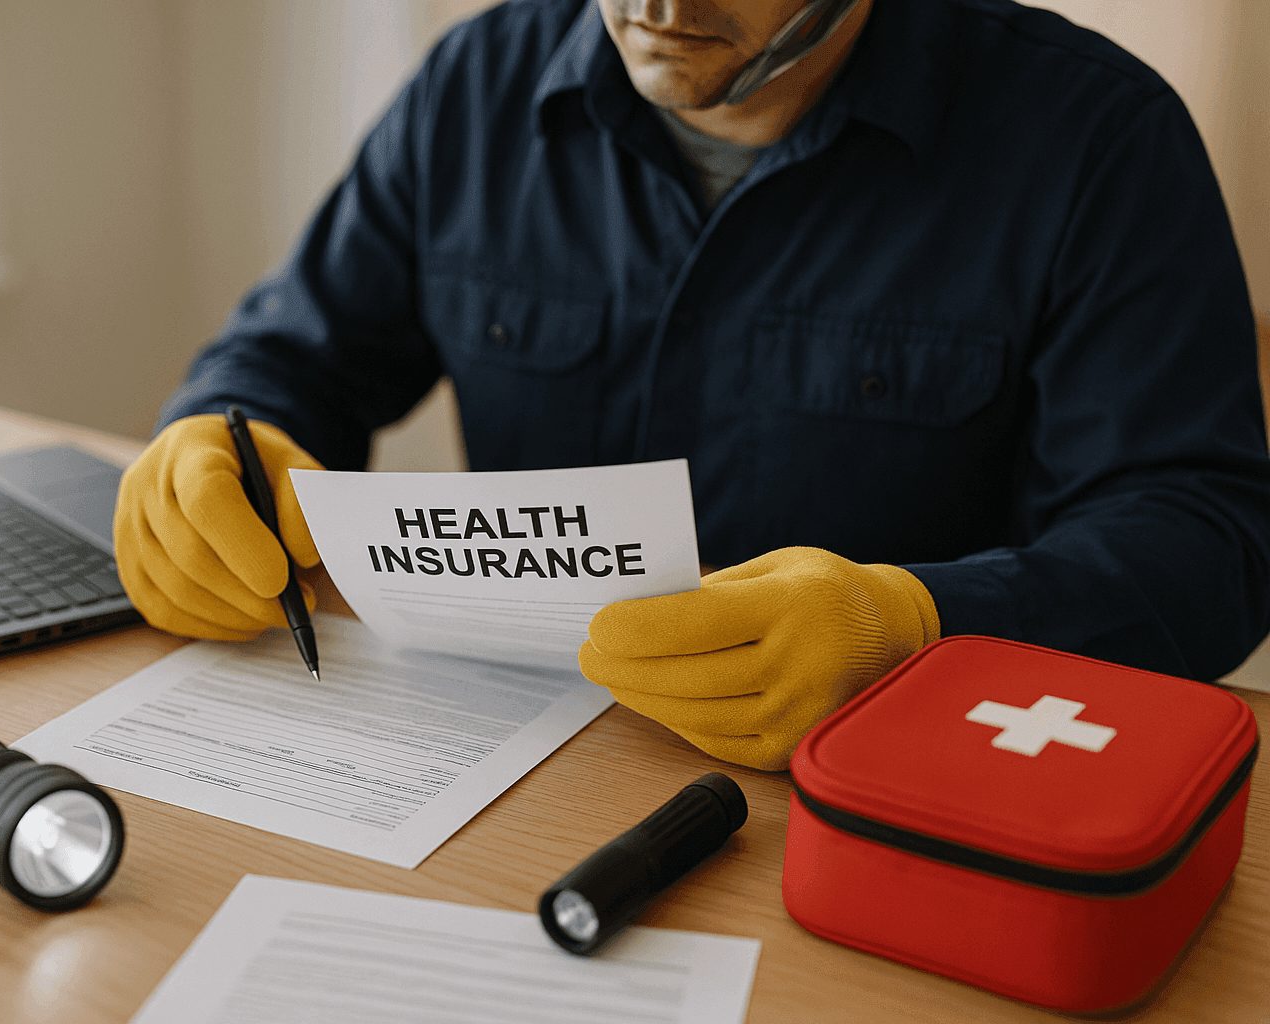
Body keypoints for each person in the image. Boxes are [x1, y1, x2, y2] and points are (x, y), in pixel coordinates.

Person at [114, 0, 1270, 770]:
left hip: (878, 795)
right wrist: (221, 439)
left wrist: (919, 626)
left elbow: (1211, 544)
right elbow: (292, 355)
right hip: (506, 763)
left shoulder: (1095, 136)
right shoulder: (477, 84)